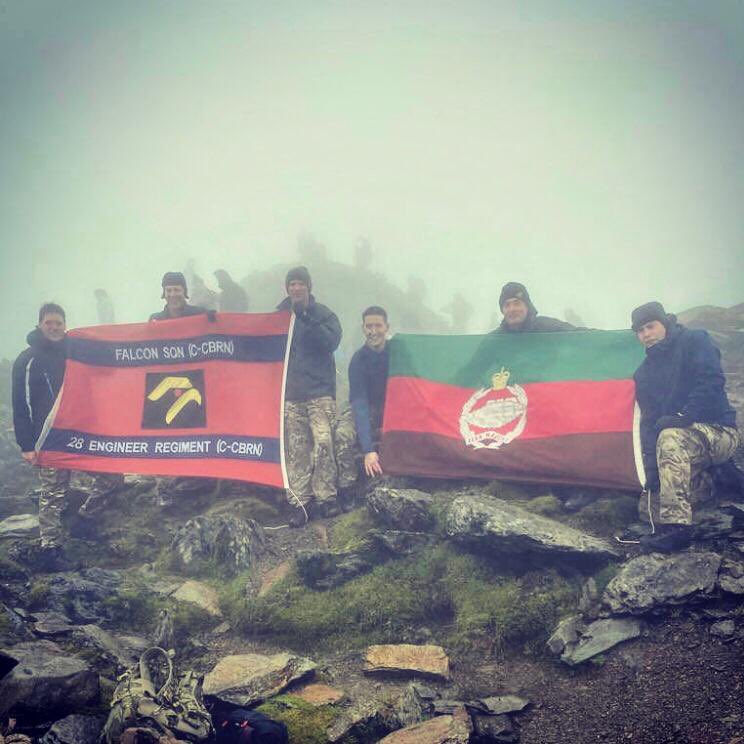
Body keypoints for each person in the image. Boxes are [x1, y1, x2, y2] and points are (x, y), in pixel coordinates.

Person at [12, 303, 122, 555]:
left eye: (58, 323)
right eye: (48, 322)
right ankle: (50, 547)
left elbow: (106, 372)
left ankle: (83, 520)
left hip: (81, 434)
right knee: (53, 494)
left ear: (65, 325)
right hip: (48, 438)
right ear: (40, 324)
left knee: (112, 477)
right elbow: (21, 405)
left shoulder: (76, 352)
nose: (53, 327)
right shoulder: (27, 359)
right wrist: (26, 446)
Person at [632, 301, 739, 552]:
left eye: (651, 326)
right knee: (647, 507)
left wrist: (684, 415)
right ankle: (715, 482)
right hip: (681, 444)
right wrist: (652, 473)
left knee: (670, 437)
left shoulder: (695, 340)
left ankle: (677, 529)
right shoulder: (643, 373)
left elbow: (711, 382)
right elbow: (648, 422)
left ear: (665, 323)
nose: (646, 334)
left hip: (719, 432)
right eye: (640, 330)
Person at [277, 266, 343, 524]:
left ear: (309, 287)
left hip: (320, 393)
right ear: (287, 288)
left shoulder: (324, 314)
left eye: (300, 284)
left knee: (325, 443)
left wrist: (306, 318)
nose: (296, 288)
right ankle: (300, 503)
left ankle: (327, 497)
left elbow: (331, 342)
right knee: (296, 451)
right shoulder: (278, 316)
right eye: (291, 284)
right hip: (291, 396)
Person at [149, 272, 210, 507]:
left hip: (194, 382)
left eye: (177, 289)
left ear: (185, 292)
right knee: (164, 434)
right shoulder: (154, 319)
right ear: (163, 293)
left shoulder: (199, 315)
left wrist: (216, 319)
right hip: (164, 384)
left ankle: (197, 480)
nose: (173, 294)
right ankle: (164, 489)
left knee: (194, 430)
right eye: (169, 289)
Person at [348, 306, 390, 478]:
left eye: (378, 326)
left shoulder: (399, 352)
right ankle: (348, 490)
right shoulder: (358, 360)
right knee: (342, 435)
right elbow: (360, 405)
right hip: (368, 407)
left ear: (387, 327)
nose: (373, 331)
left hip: (393, 407)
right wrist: (368, 450)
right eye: (369, 326)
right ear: (363, 328)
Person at [497, 282, 576, 333]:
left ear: (527, 307)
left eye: (517, 304)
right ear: (502, 310)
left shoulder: (548, 328)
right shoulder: (495, 339)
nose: (512, 309)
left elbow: (580, 336)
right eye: (507, 305)